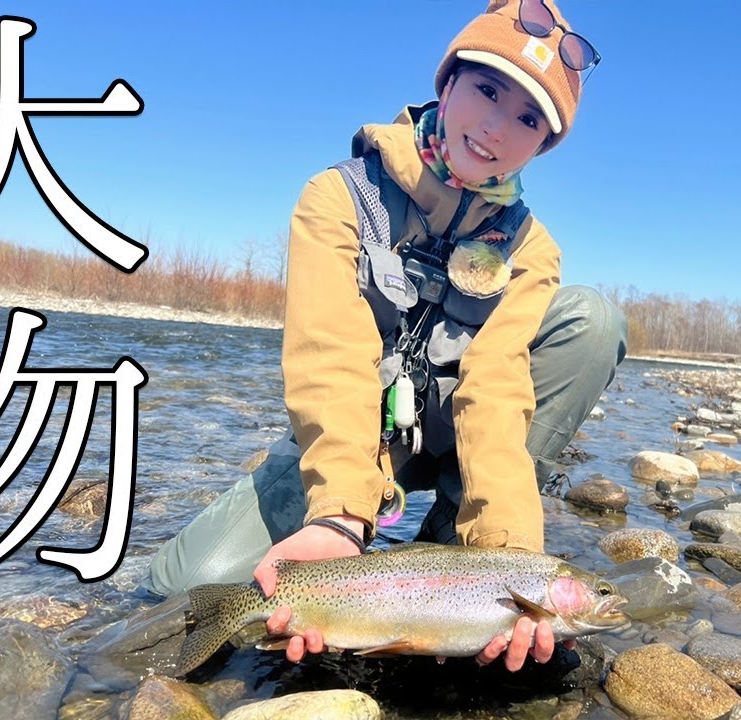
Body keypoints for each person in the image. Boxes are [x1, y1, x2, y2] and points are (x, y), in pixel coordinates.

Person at [145, 0, 626, 672]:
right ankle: (356, 550)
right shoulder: (338, 196)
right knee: (183, 584)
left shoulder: (531, 248)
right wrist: (338, 518)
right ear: (448, 83)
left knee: (592, 319)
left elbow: (496, 391)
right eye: (488, 90)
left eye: (528, 120)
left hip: (460, 444)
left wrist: (504, 550)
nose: (496, 127)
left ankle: (452, 543)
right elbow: (330, 362)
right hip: (357, 442)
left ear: (544, 145)